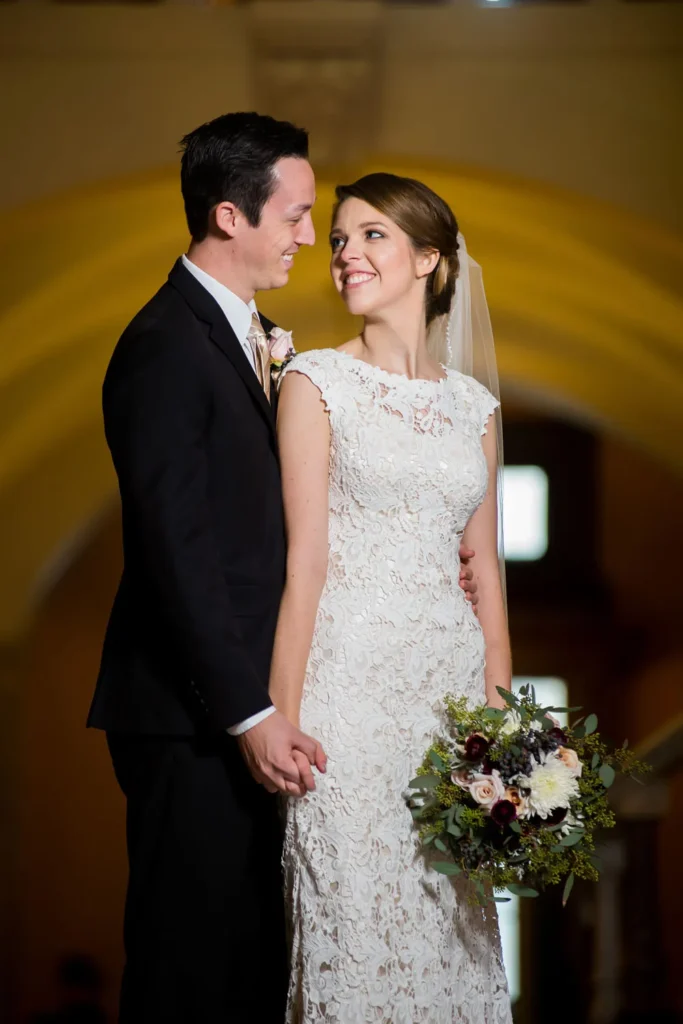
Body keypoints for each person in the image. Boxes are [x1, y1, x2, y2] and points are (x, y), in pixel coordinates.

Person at [88, 111, 479, 1022]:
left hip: (269, 700)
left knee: (256, 964)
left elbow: (292, 518)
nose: (314, 240)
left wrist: (420, 557)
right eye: (300, 218)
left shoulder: (257, 334)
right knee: (188, 964)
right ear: (232, 217)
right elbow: (175, 549)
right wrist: (250, 710)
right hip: (192, 712)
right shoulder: (163, 347)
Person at [272, 173, 513, 1022]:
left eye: (371, 236)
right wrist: (281, 714)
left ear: (427, 260)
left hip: (445, 706)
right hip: (348, 698)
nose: (344, 253)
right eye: (338, 238)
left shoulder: (473, 409)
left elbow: (484, 569)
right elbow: (303, 562)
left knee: (452, 934)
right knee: (354, 933)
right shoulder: (314, 384)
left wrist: (500, 729)